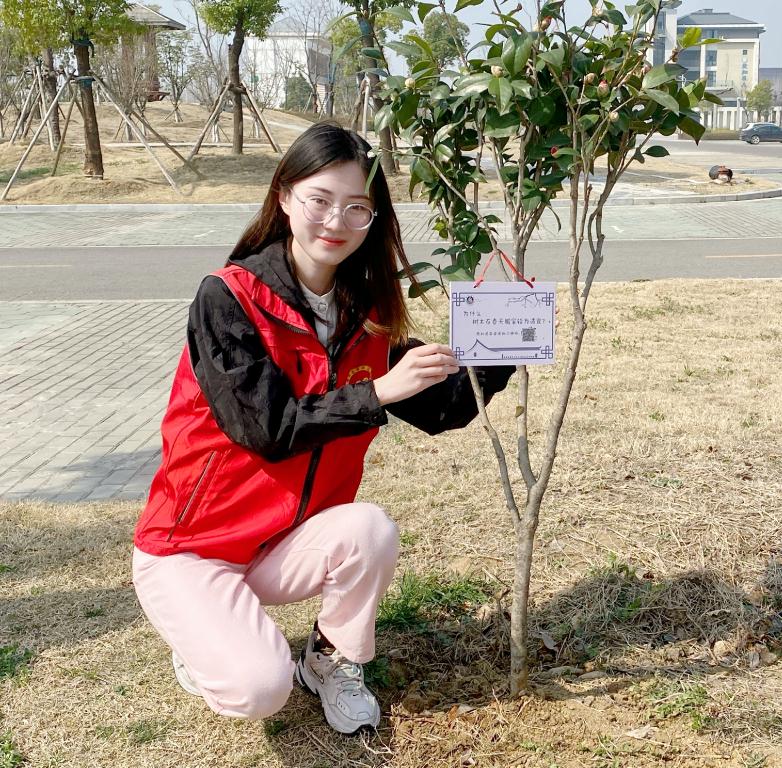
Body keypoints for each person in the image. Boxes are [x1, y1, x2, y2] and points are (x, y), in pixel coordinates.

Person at [131, 122, 513, 735]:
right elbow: (268, 428)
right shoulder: (229, 299)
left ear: (373, 219)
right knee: (259, 688)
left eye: (357, 207)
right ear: (284, 197)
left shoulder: (364, 315)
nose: (336, 221)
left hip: (280, 544)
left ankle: (329, 659)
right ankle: (202, 642)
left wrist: (505, 339)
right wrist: (378, 391)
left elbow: (442, 410)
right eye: (320, 200)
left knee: (370, 530)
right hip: (193, 548)